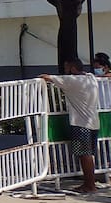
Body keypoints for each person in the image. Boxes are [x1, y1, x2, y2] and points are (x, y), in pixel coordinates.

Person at [42, 60, 103, 194]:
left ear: (73, 68)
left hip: (80, 124)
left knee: (84, 155)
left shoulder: (72, 81)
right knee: (88, 154)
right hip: (93, 122)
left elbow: (47, 77)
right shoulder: (90, 78)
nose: (65, 70)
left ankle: (89, 185)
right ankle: (90, 183)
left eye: (66, 67)